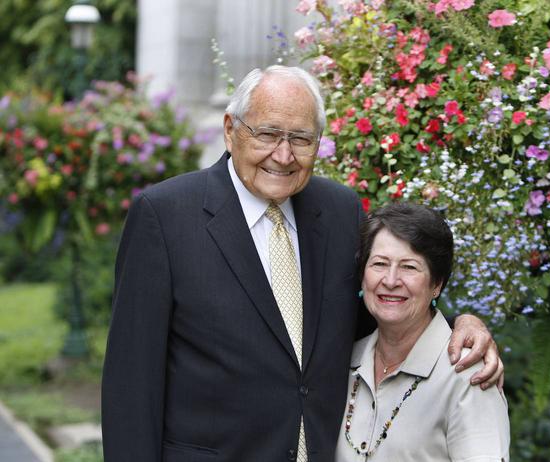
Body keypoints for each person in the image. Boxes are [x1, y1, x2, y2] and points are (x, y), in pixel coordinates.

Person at [101, 65, 503, 462]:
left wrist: (461, 327)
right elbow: (131, 383)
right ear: (230, 129)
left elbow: (383, 305)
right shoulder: (165, 215)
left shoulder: (340, 210)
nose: (284, 155)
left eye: (301, 139)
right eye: (268, 134)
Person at [335, 203, 510, 461]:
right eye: (380, 263)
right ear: (363, 276)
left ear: (437, 284)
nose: (391, 280)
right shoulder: (344, 363)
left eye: (409, 267)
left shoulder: (467, 374)